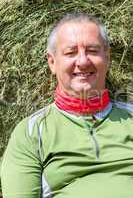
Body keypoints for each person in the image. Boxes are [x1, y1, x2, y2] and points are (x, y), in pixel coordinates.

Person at [1, 13, 133, 198]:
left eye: (93, 51)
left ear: (107, 57)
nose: (82, 61)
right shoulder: (31, 132)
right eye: (71, 52)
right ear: (52, 62)